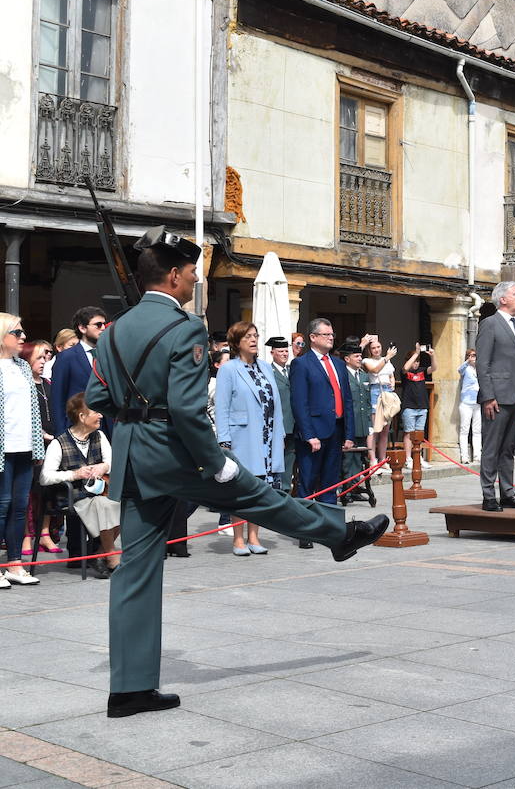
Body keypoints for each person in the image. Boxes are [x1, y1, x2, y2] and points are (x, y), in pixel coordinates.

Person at [86, 227, 387, 716]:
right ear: (175, 275)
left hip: (135, 455)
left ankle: (129, 688)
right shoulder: (181, 328)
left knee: (135, 572)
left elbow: (99, 398)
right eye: (191, 273)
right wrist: (216, 461)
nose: (194, 280)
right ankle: (340, 533)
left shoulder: (115, 331)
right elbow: (186, 410)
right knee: (260, 498)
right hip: (177, 453)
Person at [214, 322, 287, 556]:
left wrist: (280, 433)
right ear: (237, 342)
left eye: (255, 335)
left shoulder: (266, 367)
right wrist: (223, 440)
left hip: (267, 435)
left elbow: (276, 404)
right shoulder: (229, 369)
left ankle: (254, 536)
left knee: (260, 488)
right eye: (248, 336)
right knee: (241, 488)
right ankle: (237, 539)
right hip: (241, 436)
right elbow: (221, 407)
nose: (254, 340)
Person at [288, 318, 358, 549]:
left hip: (336, 430)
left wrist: (349, 433)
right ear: (313, 337)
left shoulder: (338, 364)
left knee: (330, 482)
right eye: (326, 334)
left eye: (332, 334)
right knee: (307, 482)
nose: (331, 337)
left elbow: (347, 399)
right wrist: (309, 434)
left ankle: (329, 529)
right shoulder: (302, 364)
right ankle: (305, 532)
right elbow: (299, 403)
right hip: (313, 433)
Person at [43, 393, 119, 578]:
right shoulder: (59, 443)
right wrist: (74, 474)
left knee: (123, 503)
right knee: (106, 505)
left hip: (97, 493)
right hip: (72, 495)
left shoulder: (99, 436)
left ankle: (100, 554)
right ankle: (111, 556)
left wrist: (103, 466)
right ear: (82, 417)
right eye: (96, 411)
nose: (101, 415)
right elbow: (45, 477)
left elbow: (112, 461)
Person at [475, 281, 515, 512]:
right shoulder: (490, 324)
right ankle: (489, 495)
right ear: (503, 299)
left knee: (509, 448)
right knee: (491, 447)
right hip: (496, 397)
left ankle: (507, 492)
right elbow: (482, 362)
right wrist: (488, 396)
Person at [0, 313, 44, 587]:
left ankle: (15, 564)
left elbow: (34, 411)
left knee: (19, 506)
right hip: (3, 449)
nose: (23, 337)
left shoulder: (23, 367)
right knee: (1, 505)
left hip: (24, 447)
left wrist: (37, 447)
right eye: (17, 333)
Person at [21, 340, 63, 559]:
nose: (43, 360)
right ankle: (26, 534)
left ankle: (44, 532)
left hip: (53, 444)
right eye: (38, 357)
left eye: (44, 357)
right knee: (29, 492)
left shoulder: (48, 383)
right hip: (33, 444)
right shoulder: (24, 384)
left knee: (48, 490)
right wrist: (42, 436)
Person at [50, 306, 108, 436]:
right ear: (82, 328)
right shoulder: (66, 357)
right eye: (98, 325)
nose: (103, 328)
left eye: (104, 324)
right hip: (78, 427)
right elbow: (57, 397)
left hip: (107, 428)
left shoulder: (107, 355)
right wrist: (61, 434)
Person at [337, 341, 372, 500]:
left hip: (362, 423)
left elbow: (367, 401)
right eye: (356, 356)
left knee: (359, 458)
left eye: (360, 355)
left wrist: (369, 424)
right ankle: (346, 489)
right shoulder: (342, 375)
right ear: (347, 359)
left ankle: (356, 486)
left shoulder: (364, 375)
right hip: (349, 424)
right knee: (347, 459)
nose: (360, 359)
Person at [360, 336, 397, 474]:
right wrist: (386, 357)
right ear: (370, 350)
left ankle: (382, 459)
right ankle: (373, 460)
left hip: (387, 392)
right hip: (375, 390)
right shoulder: (367, 360)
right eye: (373, 348)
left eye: (378, 347)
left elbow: (391, 374)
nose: (376, 350)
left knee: (385, 429)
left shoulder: (387, 361)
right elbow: (375, 370)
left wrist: (392, 382)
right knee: (375, 428)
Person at [265, 337, 296, 493]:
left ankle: (286, 488)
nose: (284, 354)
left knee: (290, 456)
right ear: (272, 353)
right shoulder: (268, 372)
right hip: (279, 422)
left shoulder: (292, 370)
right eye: (281, 351)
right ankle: (278, 489)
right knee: (277, 457)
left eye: (286, 351)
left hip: (294, 423)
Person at [458, 348, 481, 464]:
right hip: (466, 403)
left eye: (475, 355)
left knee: (477, 430)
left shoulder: (479, 369)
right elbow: (459, 369)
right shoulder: (465, 368)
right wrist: (467, 361)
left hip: (477, 403)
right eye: (471, 355)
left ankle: (477, 455)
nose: (474, 357)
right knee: (464, 429)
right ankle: (464, 456)